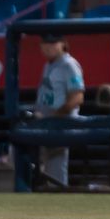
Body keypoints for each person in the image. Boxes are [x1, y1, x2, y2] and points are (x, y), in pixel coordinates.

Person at [33, 32, 85, 188]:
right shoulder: (48, 65)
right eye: (45, 44)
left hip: (60, 124)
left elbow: (77, 97)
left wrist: (56, 116)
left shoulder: (69, 64)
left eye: (53, 43)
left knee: (56, 169)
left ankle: (58, 200)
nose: (48, 47)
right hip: (46, 123)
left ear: (62, 44)